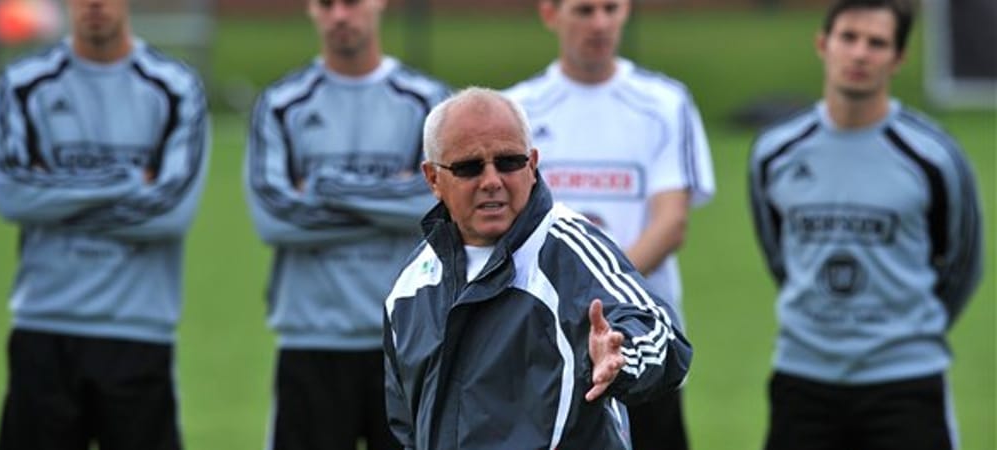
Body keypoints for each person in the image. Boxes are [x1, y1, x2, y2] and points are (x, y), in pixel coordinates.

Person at [383, 87, 693, 449]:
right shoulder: (410, 285)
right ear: (433, 178)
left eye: (508, 162)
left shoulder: (568, 250)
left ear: (532, 165)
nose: (492, 181)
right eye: (469, 167)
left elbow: (661, 333)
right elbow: (406, 423)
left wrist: (623, 356)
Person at [748, 1, 983, 449]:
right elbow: (779, 253)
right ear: (823, 44)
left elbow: (962, 263)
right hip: (803, 377)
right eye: (849, 38)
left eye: (876, 43)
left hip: (906, 381)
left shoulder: (934, 157)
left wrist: (904, 331)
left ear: (898, 58)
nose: (859, 54)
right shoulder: (775, 152)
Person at [0, 0, 210, 448]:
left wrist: (54, 191)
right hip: (44, 327)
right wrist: (129, 180)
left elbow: (171, 213)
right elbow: (13, 197)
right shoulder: (22, 85)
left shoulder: (176, 88)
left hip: (139, 329)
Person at [504, 1, 715, 448]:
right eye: (584, 10)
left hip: (640, 342)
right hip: (544, 347)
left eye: (610, 8)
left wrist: (598, 300)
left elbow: (671, 223)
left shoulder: (664, 103)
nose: (599, 23)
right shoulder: (516, 110)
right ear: (550, 14)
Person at [243, 0, 448, 448]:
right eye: (326, 4)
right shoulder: (280, 105)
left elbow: (439, 208)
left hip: (408, 342)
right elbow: (275, 220)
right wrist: (392, 198)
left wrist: (321, 185)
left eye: (352, 3)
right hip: (310, 338)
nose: (340, 15)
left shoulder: (430, 104)